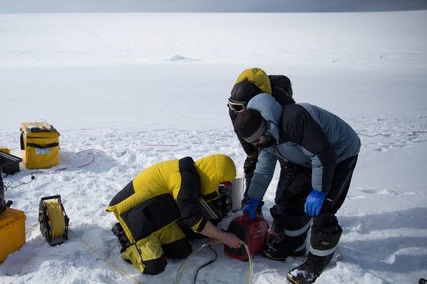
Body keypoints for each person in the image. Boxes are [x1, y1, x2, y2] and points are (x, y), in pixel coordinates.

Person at [233, 93, 360, 284]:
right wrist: (253, 199)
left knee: (323, 208)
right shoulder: (266, 137)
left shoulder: (294, 120)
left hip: (338, 154)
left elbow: (323, 155)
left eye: (257, 141)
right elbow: (263, 171)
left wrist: (319, 191)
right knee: (292, 196)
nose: (257, 145)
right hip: (307, 157)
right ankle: (294, 242)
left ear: (265, 128)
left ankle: (317, 263)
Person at [106, 154, 243, 275]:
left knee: (182, 251)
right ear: (214, 176)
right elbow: (193, 219)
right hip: (133, 215)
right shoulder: (184, 179)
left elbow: (192, 211)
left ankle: (154, 239)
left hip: (158, 217)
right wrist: (224, 237)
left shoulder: (192, 176)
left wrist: (213, 233)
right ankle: (123, 232)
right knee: (154, 266)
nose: (223, 186)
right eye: (222, 182)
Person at [227, 68, 297, 236]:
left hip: (279, 136)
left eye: (241, 108)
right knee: (255, 165)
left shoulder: (281, 102)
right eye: (234, 107)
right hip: (256, 132)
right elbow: (241, 131)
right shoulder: (235, 109)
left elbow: (289, 130)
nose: (237, 111)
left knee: (289, 171)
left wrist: (286, 155)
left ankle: (282, 213)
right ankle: (251, 205)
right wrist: (251, 152)